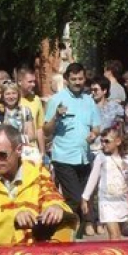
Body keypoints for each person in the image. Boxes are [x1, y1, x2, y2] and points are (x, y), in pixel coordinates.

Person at [0, 124, 73, 245]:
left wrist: (55, 207)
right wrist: (14, 217)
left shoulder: (37, 171)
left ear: (19, 149)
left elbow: (51, 197)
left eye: (2, 155)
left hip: (31, 249)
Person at [43, 63, 101, 236]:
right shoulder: (57, 99)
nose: (77, 82)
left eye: (80, 79)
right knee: (74, 198)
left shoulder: (89, 100)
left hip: (83, 157)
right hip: (63, 157)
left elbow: (96, 126)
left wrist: (93, 134)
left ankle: (79, 235)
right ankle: (64, 232)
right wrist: (56, 117)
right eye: (73, 79)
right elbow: (46, 130)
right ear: (67, 79)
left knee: (84, 198)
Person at [81, 127, 128, 240]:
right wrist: (85, 197)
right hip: (106, 202)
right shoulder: (101, 158)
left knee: (118, 235)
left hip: (122, 202)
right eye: (102, 141)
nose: (103, 144)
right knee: (115, 235)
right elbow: (93, 178)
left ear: (118, 142)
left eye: (107, 141)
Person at [17, 67, 46, 158]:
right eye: (30, 82)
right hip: (16, 150)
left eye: (34, 82)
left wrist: (42, 152)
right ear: (20, 81)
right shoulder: (12, 99)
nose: (33, 84)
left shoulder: (36, 100)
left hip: (32, 151)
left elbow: (39, 128)